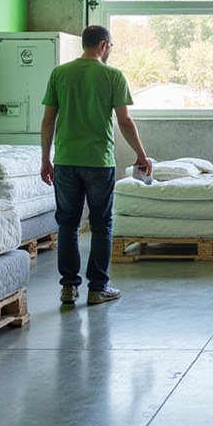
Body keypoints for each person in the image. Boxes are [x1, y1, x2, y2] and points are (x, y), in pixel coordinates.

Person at [40, 25, 150, 307]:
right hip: (99, 162)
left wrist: (45, 159)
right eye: (110, 46)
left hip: (65, 160)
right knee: (101, 224)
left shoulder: (60, 73)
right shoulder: (113, 75)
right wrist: (141, 154)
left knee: (67, 224)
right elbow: (125, 121)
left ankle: (68, 288)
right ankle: (97, 288)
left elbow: (48, 121)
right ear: (103, 45)